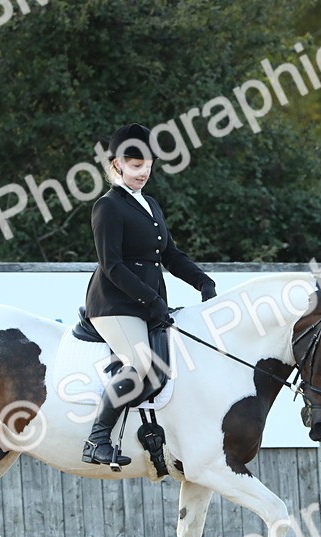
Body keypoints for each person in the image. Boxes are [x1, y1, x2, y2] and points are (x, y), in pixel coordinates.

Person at [81, 123, 218, 467]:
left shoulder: (151, 205)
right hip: (115, 304)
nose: (143, 172)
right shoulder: (108, 207)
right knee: (142, 363)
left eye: (148, 165)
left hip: (146, 303)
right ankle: (97, 440)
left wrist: (203, 282)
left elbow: (169, 255)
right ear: (117, 165)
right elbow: (111, 266)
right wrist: (153, 301)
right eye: (135, 165)